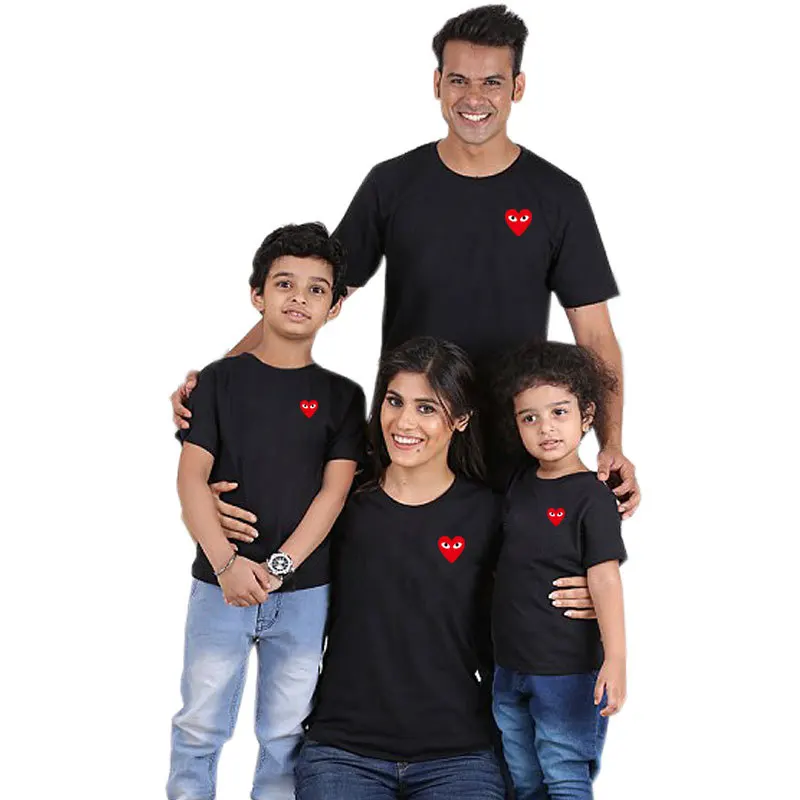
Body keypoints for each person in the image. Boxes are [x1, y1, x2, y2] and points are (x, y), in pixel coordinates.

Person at [170, 3, 637, 611]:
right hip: (406, 435)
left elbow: (595, 336)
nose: (475, 97)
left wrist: (611, 442)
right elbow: (310, 298)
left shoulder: (557, 197)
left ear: (518, 87)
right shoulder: (394, 184)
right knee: (388, 605)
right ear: (437, 83)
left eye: (492, 81)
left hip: (511, 441)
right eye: (459, 79)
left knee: (506, 612)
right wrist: (219, 380)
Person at [168, 222, 366, 800]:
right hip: (218, 585)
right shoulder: (218, 383)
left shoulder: (343, 397)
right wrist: (227, 565)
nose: (299, 298)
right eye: (284, 283)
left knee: (285, 733)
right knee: (199, 724)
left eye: (316, 289)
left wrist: (278, 568)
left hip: (303, 593)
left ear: (334, 307)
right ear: (257, 295)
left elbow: (333, 494)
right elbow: (191, 479)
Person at [295, 337, 506, 799]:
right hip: (342, 750)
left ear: (462, 419)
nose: (404, 422)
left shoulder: (490, 513)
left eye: (426, 408)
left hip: (459, 753)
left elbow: (539, 582)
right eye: (394, 402)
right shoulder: (340, 503)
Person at [490, 340, 627, 799]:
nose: (545, 427)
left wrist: (616, 659)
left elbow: (605, 578)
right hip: (509, 668)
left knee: (564, 772)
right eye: (529, 418)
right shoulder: (519, 484)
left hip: (566, 671)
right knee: (523, 778)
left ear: (586, 416)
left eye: (559, 412)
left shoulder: (593, 495)